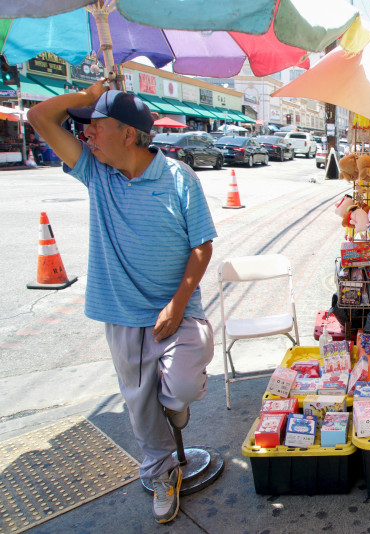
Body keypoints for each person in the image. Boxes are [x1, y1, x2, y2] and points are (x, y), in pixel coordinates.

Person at [28, 80, 217, 524]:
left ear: (128, 133)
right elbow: (38, 118)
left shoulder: (178, 178)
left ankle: (178, 405)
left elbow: (201, 246)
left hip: (178, 310)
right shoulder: (96, 173)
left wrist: (176, 303)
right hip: (121, 314)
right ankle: (161, 472)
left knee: (182, 385)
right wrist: (86, 97)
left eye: (94, 126)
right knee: (138, 404)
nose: (86, 135)